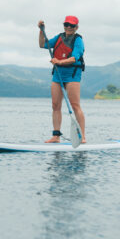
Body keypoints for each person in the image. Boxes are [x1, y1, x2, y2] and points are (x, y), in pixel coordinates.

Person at [38, 16, 86, 144]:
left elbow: (74, 58)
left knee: (75, 105)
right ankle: (56, 136)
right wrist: (41, 31)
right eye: (67, 25)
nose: (69, 27)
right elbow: (43, 44)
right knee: (55, 105)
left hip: (72, 75)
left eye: (72, 25)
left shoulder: (78, 40)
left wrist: (58, 61)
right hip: (58, 75)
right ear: (64, 25)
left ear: (76, 27)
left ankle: (82, 136)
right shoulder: (59, 37)